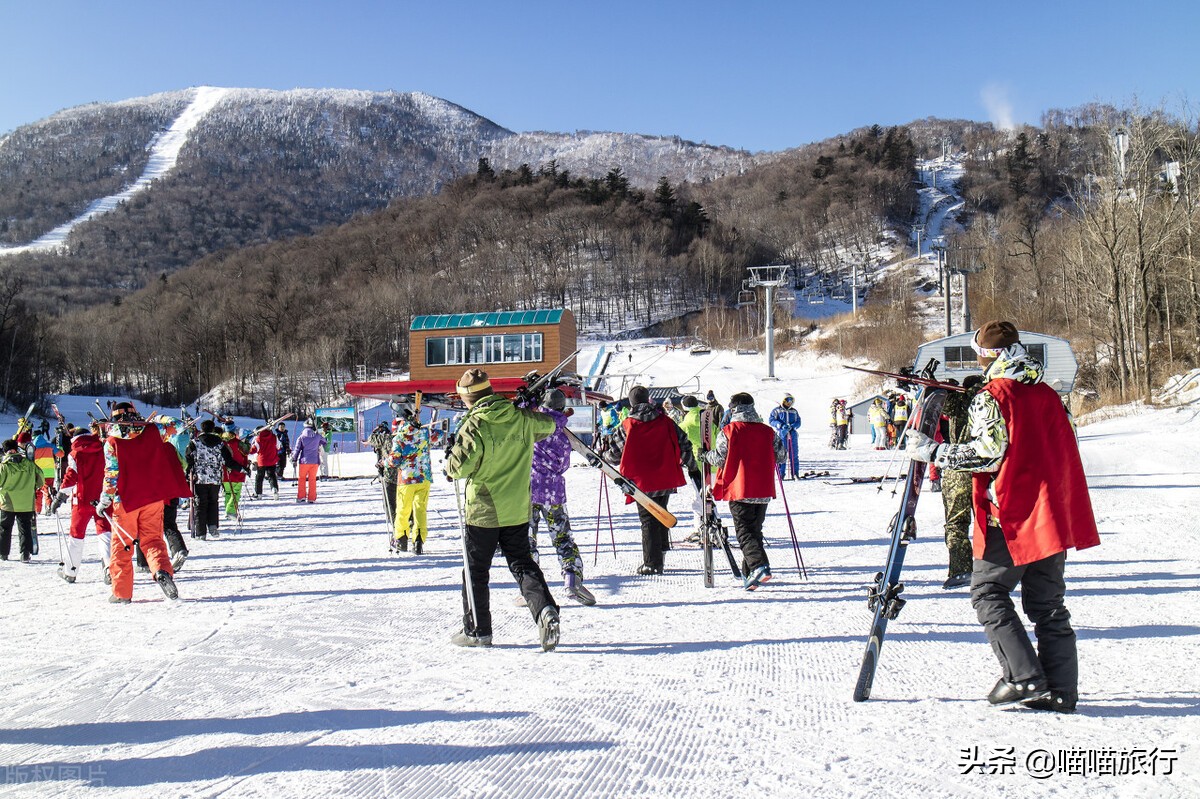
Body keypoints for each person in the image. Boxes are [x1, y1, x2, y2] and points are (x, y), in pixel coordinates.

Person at [908, 321, 1100, 712]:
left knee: (988, 593)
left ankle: (1024, 677)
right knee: (1048, 605)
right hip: (1051, 511)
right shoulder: (1048, 392)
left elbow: (986, 453)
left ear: (988, 355)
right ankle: (1062, 690)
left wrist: (932, 452)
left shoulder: (993, 395)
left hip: (1011, 513)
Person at [444, 368, 562, 650]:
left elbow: (458, 468)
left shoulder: (474, 424)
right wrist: (530, 405)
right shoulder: (519, 417)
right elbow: (551, 425)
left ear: (468, 398)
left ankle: (477, 630)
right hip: (517, 507)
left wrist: (451, 456)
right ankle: (545, 609)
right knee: (522, 563)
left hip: (484, 508)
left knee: (476, 571)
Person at [99, 402, 193, 603]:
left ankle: (122, 592)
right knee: (153, 540)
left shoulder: (112, 441)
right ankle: (162, 571)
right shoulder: (153, 430)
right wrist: (160, 419)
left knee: (122, 545)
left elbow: (111, 474)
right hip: (153, 496)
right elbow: (179, 425)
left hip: (126, 500)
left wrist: (105, 498)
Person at [604, 385, 695, 576]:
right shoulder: (666, 421)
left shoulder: (627, 425)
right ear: (649, 400)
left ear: (631, 403)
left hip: (640, 481)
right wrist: (691, 464)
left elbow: (614, 454)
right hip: (665, 476)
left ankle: (652, 563)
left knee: (648, 520)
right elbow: (683, 442)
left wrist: (604, 455)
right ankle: (661, 551)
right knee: (660, 512)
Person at [705, 393, 787, 590]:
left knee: (744, 532)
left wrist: (705, 455)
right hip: (763, 488)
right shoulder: (768, 431)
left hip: (739, 487)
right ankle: (749, 572)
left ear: (733, 408)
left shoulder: (729, 430)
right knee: (754, 530)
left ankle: (759, 567)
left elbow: (719, 459)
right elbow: (782, 457)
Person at [529, 389, 595, 606]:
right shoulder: (563, 433)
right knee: (562, 536)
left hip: (528, 490)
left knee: (527, 539)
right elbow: (564, 464)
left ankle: (530, 585)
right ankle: (571, 578)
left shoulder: (532, 425)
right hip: (554, 491)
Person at [935, 375, 983, 589]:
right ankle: (995, 569)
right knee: (990, 523)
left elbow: (943, 407)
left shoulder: (961, 401)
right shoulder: (990, 401)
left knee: (956, 523)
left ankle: (961, 569)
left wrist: (944, 387)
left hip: (959, 465)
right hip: (986, 467)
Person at [52, 422, 113, 582]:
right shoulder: (103, 449)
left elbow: (71, 476)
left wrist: (60, 496)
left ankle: (70, 571)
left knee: (76, 535)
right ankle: (110, 568)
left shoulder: (74, 454)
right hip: (103, 498)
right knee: (105, 533)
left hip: (82, 500)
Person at [185, 419, 243, 540]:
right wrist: (241, 468)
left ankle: (201, 532)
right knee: (213, 501)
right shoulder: (220, 444)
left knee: (200, 503)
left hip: (200, 478)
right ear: (212, 429)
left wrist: (189, 471)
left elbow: (188, 458)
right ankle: (213, 526)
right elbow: (228, 460)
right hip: (215, 478)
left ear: (202, 429)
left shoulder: (194, 443)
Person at [387, 407, 432, 554]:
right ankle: (418, 541)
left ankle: (401, 539)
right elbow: (436, 436)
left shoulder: (400, 436)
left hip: (407, 479)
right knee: (420, 509)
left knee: (403, 509)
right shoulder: (424, 432)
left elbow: (394, 460)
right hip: (424, 476)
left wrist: (384, 462)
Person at [0, 439, 39, 561]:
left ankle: (3, 553)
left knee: (5, 528)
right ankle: (25, 553)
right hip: (26, 502)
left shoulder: (4, 466)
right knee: (25, 527)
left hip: (8, 502)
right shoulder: (29, 463)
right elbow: (40, 479)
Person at [368, 420, 399, 527]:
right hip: (407, 477)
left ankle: (397, 528)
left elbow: (371, 438)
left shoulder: (386, 439)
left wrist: (377, 430)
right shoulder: (410, 439)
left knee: (390, 505)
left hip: (390, 476)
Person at [31, 422, 62, 515]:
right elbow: (61, 454)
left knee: (37, 492)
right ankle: (49, 506)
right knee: (48, 490)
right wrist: (60, 447)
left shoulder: (32, 448)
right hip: (49, 473)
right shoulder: (50, 446)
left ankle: (37, 509)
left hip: (37, 473)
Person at [292, 419, 327, 503]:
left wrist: (294, 458)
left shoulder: (301, 437)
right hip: (315, 461)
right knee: (312, 479)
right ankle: (311, 498)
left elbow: (297, 449)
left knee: (302, 479)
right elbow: (325, 442)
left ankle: (301, 497)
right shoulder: (317, 436)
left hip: (304, 461)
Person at [769, 394, 802, 479]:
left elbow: (798, 421)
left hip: (792, 433)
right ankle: (781, 474)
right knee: (781, 454)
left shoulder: (794, 411)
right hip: (782, 433)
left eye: (791, 401)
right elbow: (771, 420)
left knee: (794, 453)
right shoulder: (777, 410)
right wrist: (780, 425)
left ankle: (795, 473)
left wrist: (793, 426)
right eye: (787, 401)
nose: (789, 403)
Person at [222, 430, 250, 520]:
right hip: (238, 471)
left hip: (225, 471)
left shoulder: (222, 444)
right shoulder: (238, 443)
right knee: (236, 493)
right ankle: (231, 511)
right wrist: (247, 442)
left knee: (228, 493)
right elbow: (246, 451)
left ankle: (228, 511)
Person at [249, 425, 280, 499]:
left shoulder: (258, 439)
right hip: (272, 460)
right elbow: (278, 447)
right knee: (272, 476)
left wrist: (247, 449)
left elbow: (254, 450)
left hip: (261, 461)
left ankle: (258, 493)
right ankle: (274, 489)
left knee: (259, 477)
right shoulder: (274, 437)